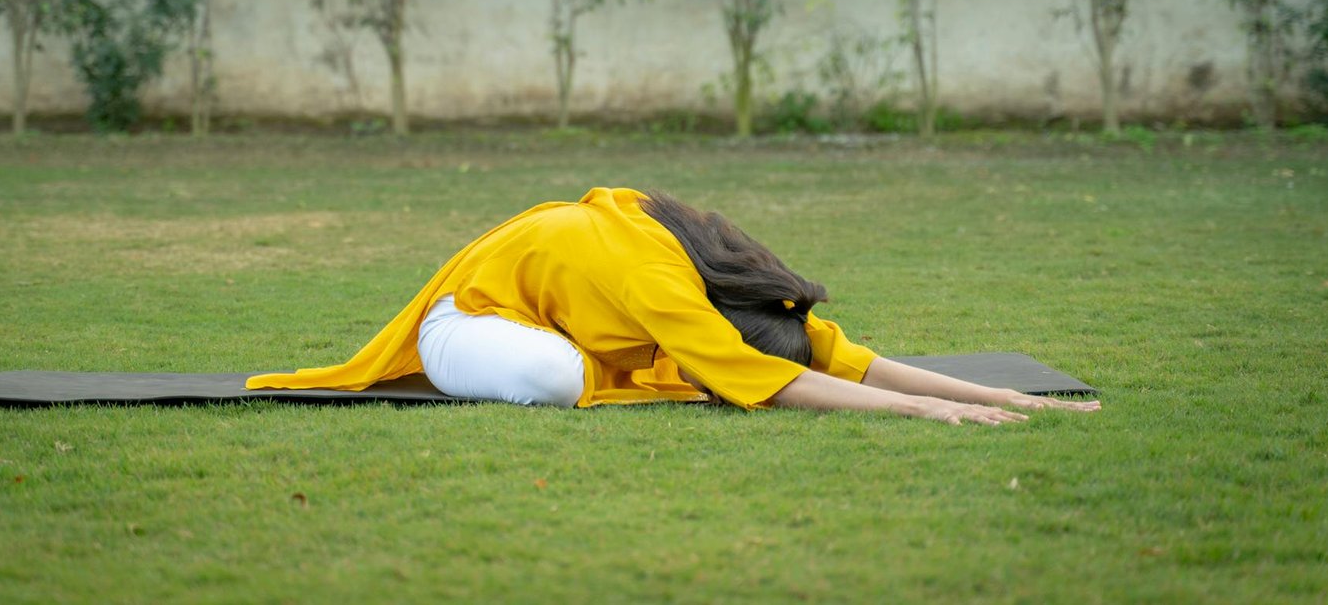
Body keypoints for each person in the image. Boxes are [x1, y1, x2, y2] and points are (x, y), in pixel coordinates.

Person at [246, 187, 1100, 425]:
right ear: (719, 330)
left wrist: (1003, 397)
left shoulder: (730, 280)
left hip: (542, 314)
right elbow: (768, 382)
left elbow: (834, 355)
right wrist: (913, 411)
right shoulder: (666, 289)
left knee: (581, 366)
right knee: (553, 378)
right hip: (464, 328)